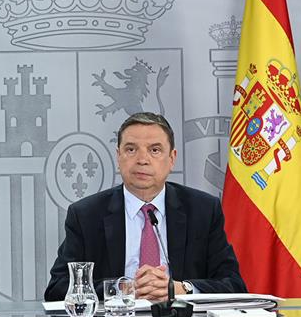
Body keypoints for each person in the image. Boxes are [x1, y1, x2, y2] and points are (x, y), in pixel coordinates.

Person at [45, 112, 246, 302]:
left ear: (172, 159)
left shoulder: (202, 210)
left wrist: (181, 289)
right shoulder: (87, 215)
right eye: (131, 149)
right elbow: (58, 288)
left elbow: (233, 285)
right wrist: (123, 289)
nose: (142, 160)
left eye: (155, 150)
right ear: (118, 156)